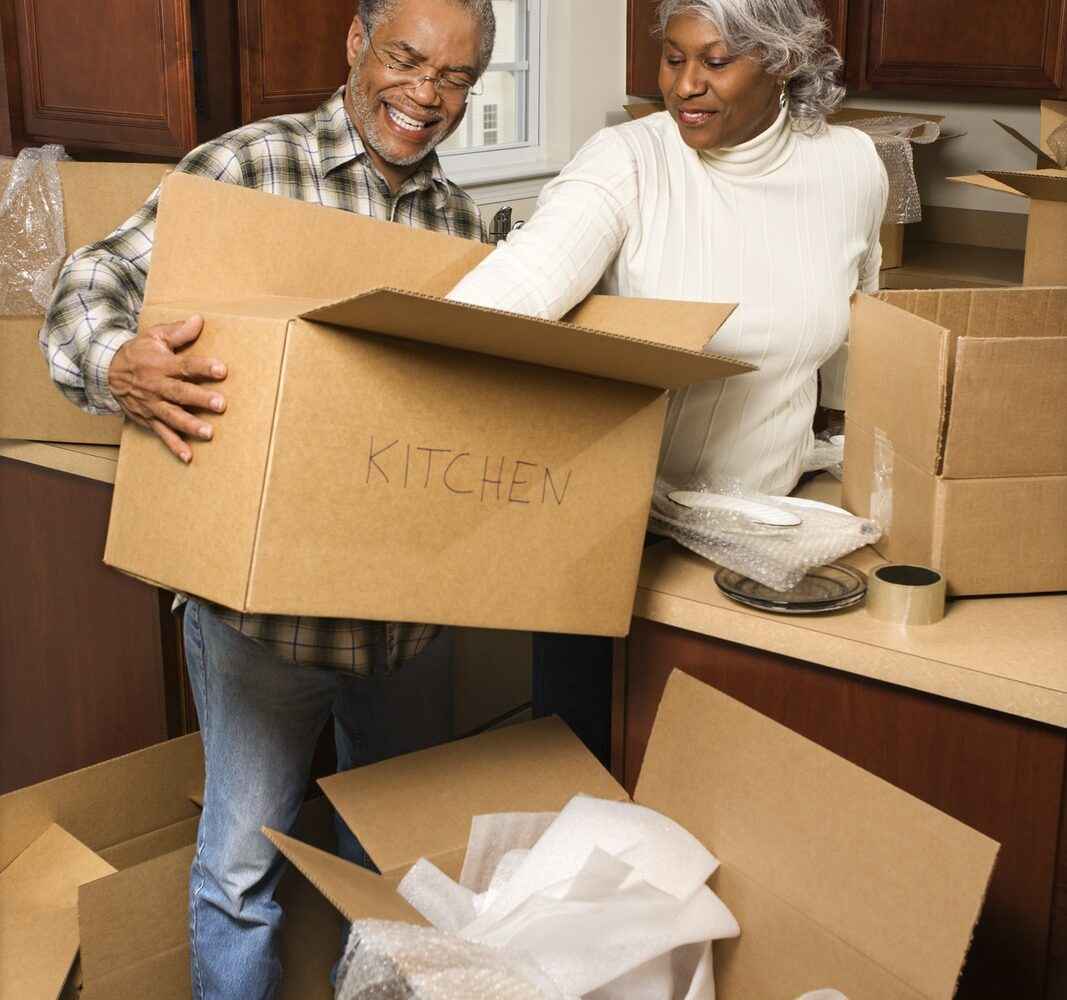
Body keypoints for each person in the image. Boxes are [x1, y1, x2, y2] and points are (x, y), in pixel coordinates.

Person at [40, 2, 495, 997]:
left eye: (456, 78)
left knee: (395, 870)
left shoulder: (462, 227)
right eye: (406, 60)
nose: (426, 95)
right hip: (262, 625)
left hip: (407, 625)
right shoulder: (246, 169)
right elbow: (90, 279)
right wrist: (117, 360)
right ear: (354, 45)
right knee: (241, 872)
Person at [447, 0, 888, 759]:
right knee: (579, 769)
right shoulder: (630, 159)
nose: (685, 85)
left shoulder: (849, 166)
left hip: (759, 531)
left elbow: (858, 331)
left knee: (717, 778)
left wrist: (857, 447)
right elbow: (513, 295)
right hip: (611, 535)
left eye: (715, 62)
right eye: (673, 59)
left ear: (781, 62)